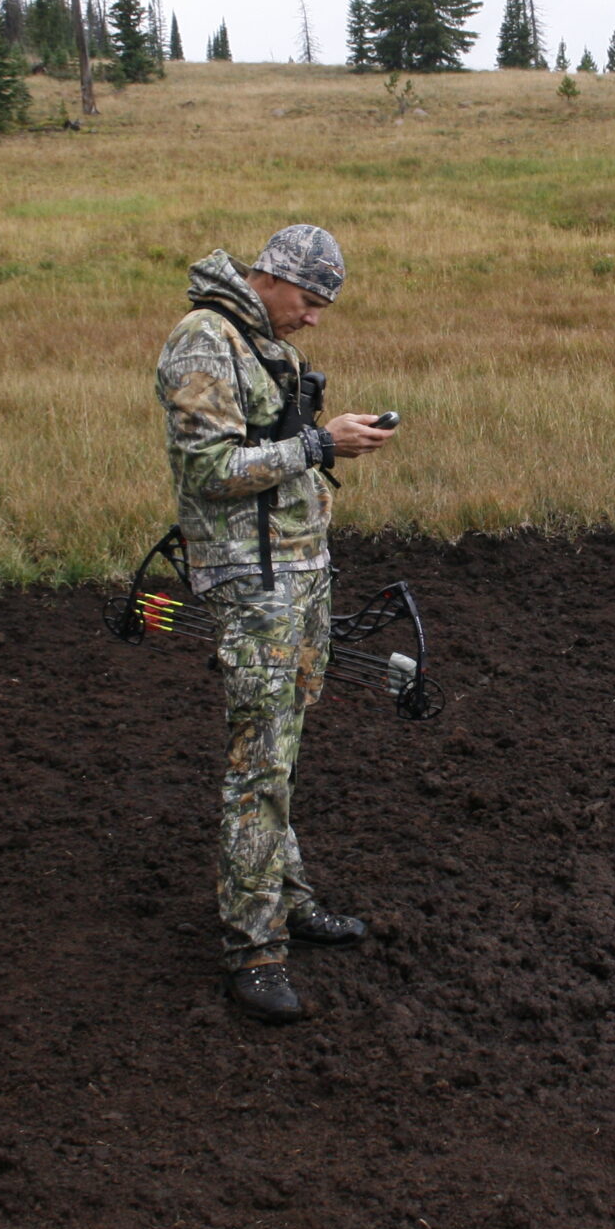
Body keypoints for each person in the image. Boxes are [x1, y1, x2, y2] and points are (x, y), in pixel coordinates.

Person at [153, 225, 396, 1023]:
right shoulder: (203, 340)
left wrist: (321, 442)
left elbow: (275, 447)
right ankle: (252, 952)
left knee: (283, 748)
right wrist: (320, 443)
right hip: (251, 581)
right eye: (312, 300)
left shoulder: (266, 345)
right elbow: (209, 469)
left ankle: (290, 900)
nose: (316, 318)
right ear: (272, 277)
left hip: (296, 572)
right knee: (257, 764)